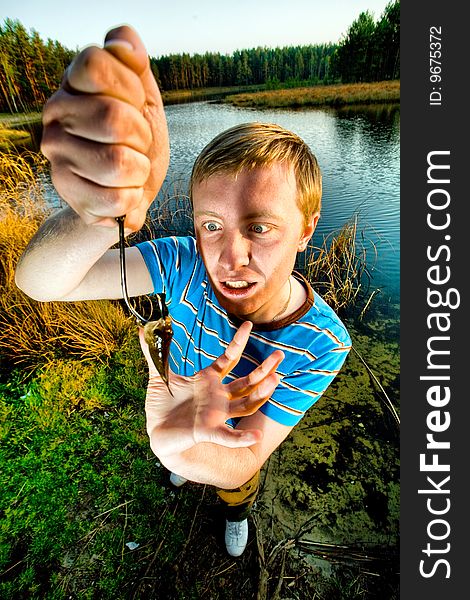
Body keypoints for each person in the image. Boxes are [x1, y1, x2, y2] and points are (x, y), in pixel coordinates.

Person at [15, 25, 351, 558]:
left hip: (220, 445)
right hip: (172, 410)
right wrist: (100, 218)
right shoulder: (181, 260)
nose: (229, 257)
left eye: (260, 227)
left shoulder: (324, 342)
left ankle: (234, 512)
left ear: (307, 230)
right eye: (211, 224)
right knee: (182, 459)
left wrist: (181, 448)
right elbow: (38, 282)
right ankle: (179, 467)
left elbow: (244, 456)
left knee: (234, 486)